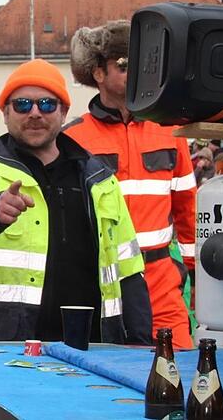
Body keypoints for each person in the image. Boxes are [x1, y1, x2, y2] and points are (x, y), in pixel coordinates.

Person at [0, 59, 152, 345]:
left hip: (92, 347)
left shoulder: (100, 180)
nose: (35, 113)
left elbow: (129, 270)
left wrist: (139, 344)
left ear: (64, 112)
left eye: (47, 104)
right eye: (22, 105)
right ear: (5, 113)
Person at [64, 21, 197, 349]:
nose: (135, 73)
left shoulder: (171, 131)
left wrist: (194, 275)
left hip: (162, 282)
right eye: (124, 65)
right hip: (103, 283)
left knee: (178, 363)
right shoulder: (72, 139)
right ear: (98, 73)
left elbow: (188, 210)